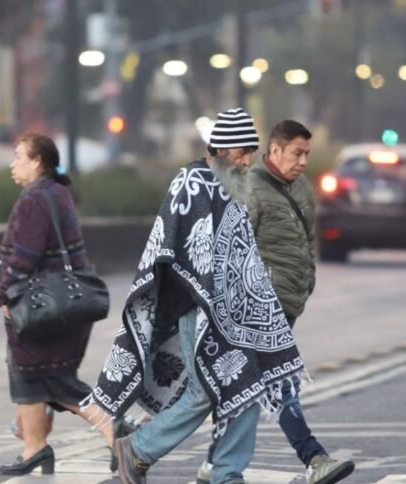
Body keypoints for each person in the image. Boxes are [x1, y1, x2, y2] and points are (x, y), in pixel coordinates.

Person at [82, 108, 307, 484]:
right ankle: (137, 449)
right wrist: (208, 295)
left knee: (245, 390)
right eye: (240, 151)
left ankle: (227, 474)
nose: (246, 159)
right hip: (196, 308)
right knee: (204, 393)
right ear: (218, 148)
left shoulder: (233, 185)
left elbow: (241, 253)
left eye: (250, 151)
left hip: (233, 316)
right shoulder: (192, 181)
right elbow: (173, 247)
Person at [197, 120, 355, 484]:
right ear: (275, 150)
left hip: (289, 301)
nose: (302, 161)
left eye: (306, 154)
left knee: (248, 386)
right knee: (280, 381)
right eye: (296, 153)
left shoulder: (300, 187)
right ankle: (314, 459)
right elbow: (233, 247)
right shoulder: (249, 187)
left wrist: (308, 280)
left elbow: (306, 239)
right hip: (259, 305)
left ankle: (212, 464)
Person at [0, 132, 118, 475]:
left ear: (37, 161)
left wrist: (5, 292)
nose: (12, 163)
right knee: (33, 375)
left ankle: (114, 430)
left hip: (42, 304)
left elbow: (26, 255)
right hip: (62, 302)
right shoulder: (57, 192)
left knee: (52, 379)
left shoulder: (34, 200)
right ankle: (34, 447)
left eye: (18, 156)